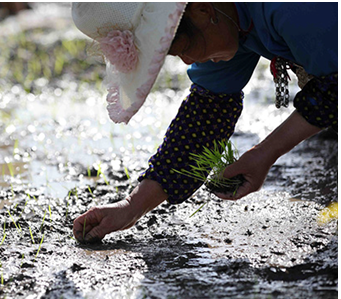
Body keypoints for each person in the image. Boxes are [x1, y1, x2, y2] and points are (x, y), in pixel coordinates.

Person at [71, 3, 338, 243]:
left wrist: (265, 153)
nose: (188, 61)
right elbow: (205, 117)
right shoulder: (229, 22)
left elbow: (334, 89)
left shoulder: (290, 8)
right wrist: (132, 206)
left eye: (185, 48)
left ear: (202, 10)